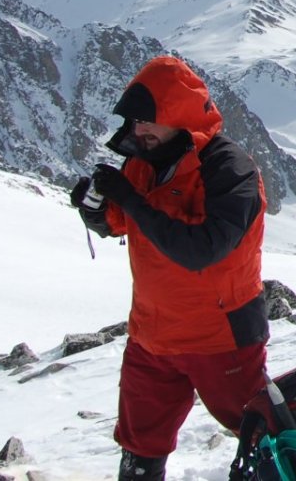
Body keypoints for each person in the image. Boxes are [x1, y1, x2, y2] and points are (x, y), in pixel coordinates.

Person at [70, 55, 269, 481]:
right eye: (134, 122)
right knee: (140, 446)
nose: (138, 131)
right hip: (152, 337)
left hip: (220, 336)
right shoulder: (144, 162)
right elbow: (119, 223)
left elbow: (201, 250)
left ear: (177, 114)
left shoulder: (229, 170)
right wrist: (95, 210)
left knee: (263, 433)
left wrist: (131, 199)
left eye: (147, 121)